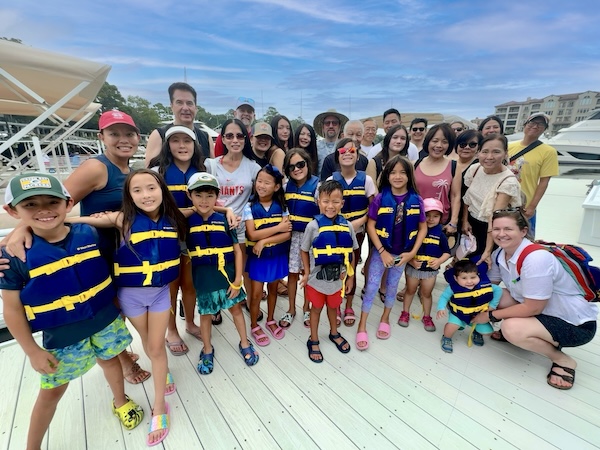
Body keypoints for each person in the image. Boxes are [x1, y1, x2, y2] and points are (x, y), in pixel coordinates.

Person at [4, 110, 150, 385]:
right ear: (101, 137)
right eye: (114, 133)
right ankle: (124, 362)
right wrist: (22, 228)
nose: (123, 139)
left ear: (137, 137)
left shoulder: (130, 171)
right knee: (109, 306)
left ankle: (119, 354)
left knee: (113, 308)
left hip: (120, 253)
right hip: (94, 251)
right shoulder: (96, 167)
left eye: (128, 133)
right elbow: (52, 207)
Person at [0, 173, 144, 449]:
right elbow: (12, 310)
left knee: (112, 360)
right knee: (52, 392)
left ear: (67, 203)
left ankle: (120, 400)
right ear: (12, 211)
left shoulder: (88, 233)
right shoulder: (12, 256)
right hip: (63, 335)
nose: (43, 210)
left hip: (104, 320)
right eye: (30, 205)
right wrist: (32, 350)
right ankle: (33, 446)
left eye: (52, 202)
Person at [68, 169, 187, 446]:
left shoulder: (175, 217)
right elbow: (68, 219)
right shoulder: (122, 219)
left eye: (151, 188)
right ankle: (163, 370)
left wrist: (225, 211)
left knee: (156, 347)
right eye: (137, 190)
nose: (146, 195)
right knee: (146, 341)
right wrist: (23, 229)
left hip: (159, 295)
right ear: (129, 196)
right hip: (131, 297)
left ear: (162, 190)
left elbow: (199, 207)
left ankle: (159, 407)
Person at [471, 209, 598, 390]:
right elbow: (488, 286)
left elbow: (533, 308)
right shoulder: (500, 254)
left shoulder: (536, 259)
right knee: (494, 294)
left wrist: (490, 316)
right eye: (496, 229)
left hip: (572, 324)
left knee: (511, 328)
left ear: (523, 231)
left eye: (508, 229)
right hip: (542, 310)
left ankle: (562, 360)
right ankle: (529, 332)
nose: (501, 234)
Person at [148, 126, 236, 354]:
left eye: (187, 141)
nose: (182, 146)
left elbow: (205, 201)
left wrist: (226, 211)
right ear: (167, 146)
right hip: (165, 237)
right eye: (175, 141)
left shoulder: (202, 169)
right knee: (170, 286)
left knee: (190, 285)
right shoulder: (158, 171)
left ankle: (189, 323)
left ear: (194, 145)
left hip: (194, 236)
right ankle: (171, 331)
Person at [185, 172, 259, 373]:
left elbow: (237, 249)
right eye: (198, 195)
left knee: (235, 310)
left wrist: (237, 280)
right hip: (204, 280)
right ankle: (207, 348)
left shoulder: (226, 219)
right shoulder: (186, 221)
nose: (204, 200)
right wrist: (226, 207)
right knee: (206, 315)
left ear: (216, 196)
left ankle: (244, 342)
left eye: (210, 195)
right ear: (189, 195)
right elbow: (168, 213)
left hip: (227, 278)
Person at [356, 156, 427, 349]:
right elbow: (370, 226)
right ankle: (362, 324)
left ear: (409, 175)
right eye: (393, 172)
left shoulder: (416, 199)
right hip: (382, 253)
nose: (397, 176)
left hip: (402, 255)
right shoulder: (380, 198)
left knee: (392, 287)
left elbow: (423, 228)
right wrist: (381, 251)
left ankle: (385, 318)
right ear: (387, 175)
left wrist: (411, 253)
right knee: (370, 288)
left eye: (402, 172)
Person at [205, 118, 261, 306]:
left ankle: (247, 303)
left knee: (242, 268)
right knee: (214, 266)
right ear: (223, 139)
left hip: (241, 228)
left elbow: (259, 197)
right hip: (214, 225)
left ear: (246, 139)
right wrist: (225, 209)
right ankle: (216, 306)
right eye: (229, 136)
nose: (235, 140)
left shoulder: (253, 167)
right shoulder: (211, 166)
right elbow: (203, 200)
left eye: (240, 136)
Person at [300, 180, 358, 362]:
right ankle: (314, 339)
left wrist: (350, 276)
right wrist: (307, 273)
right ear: (318, 202)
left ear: (342, 203)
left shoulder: (347, 226)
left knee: (334, 308)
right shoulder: (312, 226)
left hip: (336, 282)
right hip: (316, 282)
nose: (330, 206)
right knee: (315, 310)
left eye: (335, 201)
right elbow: (303, 249)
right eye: (325, 201)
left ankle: (334, 332)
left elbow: (351, 253)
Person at [329, 138, 376, 326]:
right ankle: (337, 302)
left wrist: (361, 221)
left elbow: (374, 208)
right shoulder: (331, 180)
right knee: (336, 267)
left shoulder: (367, 180)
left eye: (352, 150)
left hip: (357, 233)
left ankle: (349, 304)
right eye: (343, 151)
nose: (347, 153)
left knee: (352, 267)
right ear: (337, 157)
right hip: (336, 233)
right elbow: (325, 206)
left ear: (358, 156)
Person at [244, 165, 292, 346]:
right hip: (258, 259)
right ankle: (254, 324)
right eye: (259, 181)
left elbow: (287, 234)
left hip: (276, 256)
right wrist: (278, 228)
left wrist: (264, 241)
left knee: (273, 290)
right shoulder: (249, 207)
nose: (261, 185)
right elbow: (252, 235)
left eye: (267, 182)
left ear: (277, 186)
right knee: (256, 294)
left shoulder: (282, 207)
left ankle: (271, 319)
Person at [462, 134, 522, 263]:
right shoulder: (475, 169)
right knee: (461, 266)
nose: (489, 157)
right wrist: (465, 221)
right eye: (485, 152)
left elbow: (494, 218)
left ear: (505, 153)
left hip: (491, 231)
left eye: (496, 152)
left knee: (480, 266)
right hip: (472, 225)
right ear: (479, 153)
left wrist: (487, 251)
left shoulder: (508, 181)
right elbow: (467, 199)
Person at [281, 148, 320, 329]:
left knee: (308, 273)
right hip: (291, 237)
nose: (296, 169)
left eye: (300, 164)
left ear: (308, 164)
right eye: (291, 167)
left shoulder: (318, 186)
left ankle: (306, 307)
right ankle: (291, 309)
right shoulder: (284, 186)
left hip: (311, 238)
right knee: (292, 273)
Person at [399, 198, 451, 331]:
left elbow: (447, 252)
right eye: (427, 215)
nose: (431, 219)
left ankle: (427, 316)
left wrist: (439, 261)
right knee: (410, 291)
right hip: (413, 269)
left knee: (426, 293)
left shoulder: (441, 234)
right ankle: (405, 313)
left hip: (430, 272)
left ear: (441, 217)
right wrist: (411, 260)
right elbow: (404, 250)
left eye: (435, 216)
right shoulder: (414, 231)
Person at [507, 113, 558, 237]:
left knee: (524, 238)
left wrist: (532, 206)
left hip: (524, 205)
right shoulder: (509, 146)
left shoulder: (548, 152)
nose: (535, 126)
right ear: (525, 125)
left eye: (540, 124)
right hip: (504, 200)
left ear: (545, 129)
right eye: (532, 123)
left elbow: (544, 182)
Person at [437, 259, 502, 352]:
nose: (469, 281)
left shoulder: (485, 285)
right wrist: (441, 308)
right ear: (456, 278)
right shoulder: (452, 288)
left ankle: (476, 331)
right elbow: (444, 297)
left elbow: (498, 290)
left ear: (478, 275)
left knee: (488, 332)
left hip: (478, 314)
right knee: (451, 326)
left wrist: (492, 306)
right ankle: (446, 338)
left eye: (473, 277)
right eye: (464, 278)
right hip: (458, 314)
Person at [144, 82, 214, 165]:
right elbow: (149, 172)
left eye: (189, 103)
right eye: (179, 102)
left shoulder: (206, 137)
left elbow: (212, 170)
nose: (185, 108)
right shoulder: (159, 135)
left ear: (195, 107)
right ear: (171, 106)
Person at [313, 109, 349, 175]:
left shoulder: (345, 146)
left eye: (334, 123)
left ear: (339, 126)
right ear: (323, 127)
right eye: (327, 123)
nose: (331, 126)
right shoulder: (315, 146)